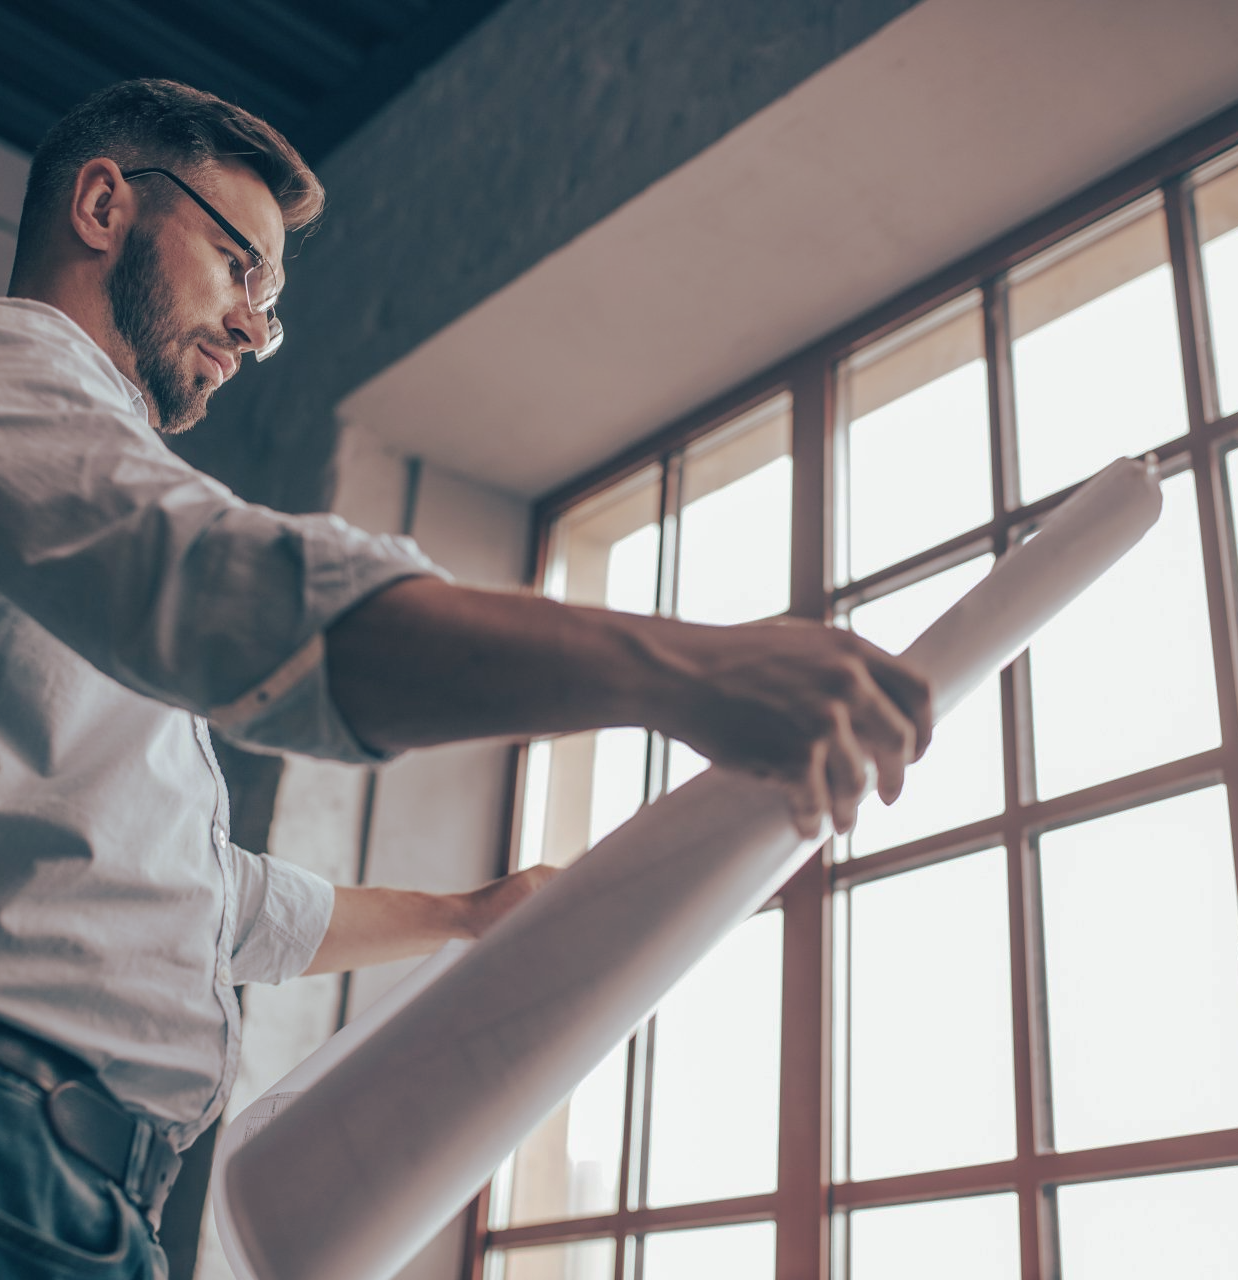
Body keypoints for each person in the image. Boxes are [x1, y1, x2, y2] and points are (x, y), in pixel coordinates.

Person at [0, 79, 931, 1278]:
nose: (249, 325)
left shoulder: (67, 506)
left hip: (82, 1191)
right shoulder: (19, 384)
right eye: (240, 266)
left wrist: (467, 913)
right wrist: (680, 667)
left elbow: (188, 891)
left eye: (268, 305)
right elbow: (230, 591)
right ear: (101, 201)